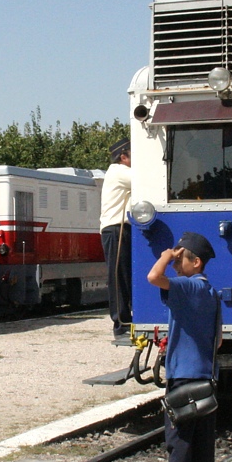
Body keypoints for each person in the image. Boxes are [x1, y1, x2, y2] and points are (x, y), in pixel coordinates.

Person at [146, 232, 220, 462]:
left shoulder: (188, 287)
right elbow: (219, 341)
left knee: (178, 444)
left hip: (183, 379)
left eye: (181, 259)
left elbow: (154, 276)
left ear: (196, 262)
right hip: (206, 379)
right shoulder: (212, 293)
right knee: (203, 446)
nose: (176, 265)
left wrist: (166, 255)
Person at [100, 138, 132, 343]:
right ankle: (120, 322)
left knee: (124, 274)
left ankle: (124, 319)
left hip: (119, 228)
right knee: (118, 275)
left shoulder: (118, 172)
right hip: (116, 229)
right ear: (123, 157)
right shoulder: (120, 171)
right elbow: (147, 179)